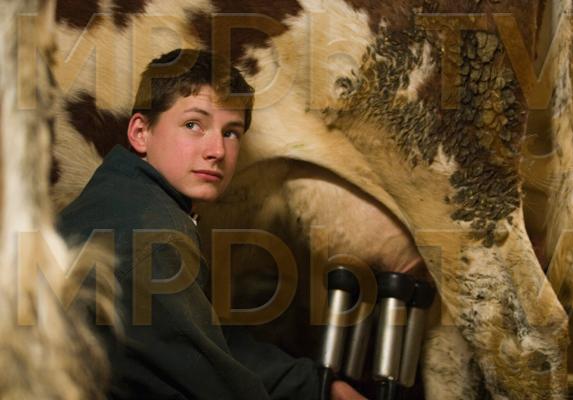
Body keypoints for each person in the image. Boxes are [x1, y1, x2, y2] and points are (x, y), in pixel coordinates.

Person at [57, 48, 363, 399]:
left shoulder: (117, 196)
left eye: (231, 132)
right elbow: (216, 387)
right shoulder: (155, 239)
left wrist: (316, 385)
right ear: (141, 132)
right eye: (193, 125)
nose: (217, 150)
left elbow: (203, 338)